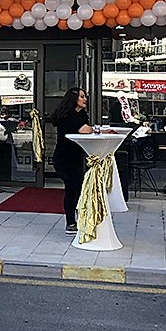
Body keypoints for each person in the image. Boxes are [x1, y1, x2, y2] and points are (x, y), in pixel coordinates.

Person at [50, 88, 93, 235]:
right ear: (74, 99)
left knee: (71, 190)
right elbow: (86, 130)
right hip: (64, 160)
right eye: (82, 96)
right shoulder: (68, 115)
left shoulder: (81, 114)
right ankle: (81, 220)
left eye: (85, 96)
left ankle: (72, 223)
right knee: (79, 188)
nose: (85, 99)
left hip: (75, 159)